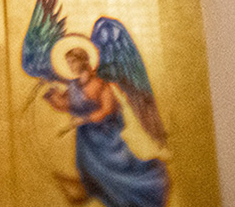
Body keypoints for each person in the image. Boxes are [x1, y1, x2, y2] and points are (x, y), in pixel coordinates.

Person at [43, 48, 169, 207]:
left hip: (105, 136)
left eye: (72, 61)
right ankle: (104, 197)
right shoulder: (74, 86)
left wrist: (83, 120)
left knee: (116, 166)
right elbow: (66, 104)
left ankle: (138, 192)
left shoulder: (101, 85)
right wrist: (51, 96)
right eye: (68, 63)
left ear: (83, 61)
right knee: (85, 166)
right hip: (86, 139)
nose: (70, 66)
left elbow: (107, 109)